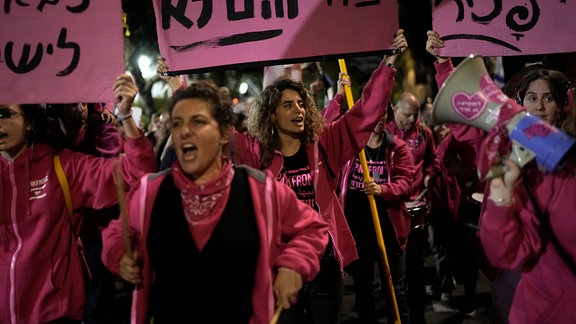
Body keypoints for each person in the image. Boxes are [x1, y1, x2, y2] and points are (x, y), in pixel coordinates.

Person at [100, 80, 330, 324]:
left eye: (197, 122)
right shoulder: (150, 192)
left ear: (223, 133)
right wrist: (120, 255)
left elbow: (312, 229)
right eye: (177, 124)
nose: (184, 131)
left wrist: (293, 265)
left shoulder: (260, 189)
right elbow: (116, 233)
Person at [231, 30, 407, 323]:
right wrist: (177, 84)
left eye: (301, 104)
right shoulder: (256, 152)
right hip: (279, 265)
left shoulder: (325, 142)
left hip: (324, 263)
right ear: (271, 114)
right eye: (288, 105)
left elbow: (364, 114)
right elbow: (218, 137)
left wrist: (388, 63)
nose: (298, 110)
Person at [426, 29, 574, 323]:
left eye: (548, 99)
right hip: (520, 277)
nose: (539, 106)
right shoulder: (505, 143)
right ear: (521, 103)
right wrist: (444, 65)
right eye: (532, 98)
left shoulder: (566, 162)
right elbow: (468, 118)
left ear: (561, 106)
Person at [0, 74, 157, 324]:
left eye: (5, 114)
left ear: (29, 122)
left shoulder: (62, 167)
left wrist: (126, 116)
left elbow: (136, 173)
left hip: (56, 315)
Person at [325, 77, 414, 323]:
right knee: (363, 289)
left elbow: (406, 184)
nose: (377, 119)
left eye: (382, 113)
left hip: (389, 230)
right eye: (372, 113)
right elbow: (324, 127)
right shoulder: (351, 147)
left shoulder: (397, 148)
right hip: (358, 229)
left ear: (387, 115)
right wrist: (341, 95)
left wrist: (382, 189)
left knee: (395, 291)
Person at [45, 101, 133, 324]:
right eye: (74, 104)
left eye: (85, 103)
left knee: (96, 302)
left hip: (96, 234)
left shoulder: (102, 132)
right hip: (60, 234)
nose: (81, 108)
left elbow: (117, 170)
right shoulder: (45, 140)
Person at [386, 91, 437, 324]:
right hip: (393, 209)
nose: (411, 120)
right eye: (407, 115)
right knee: (396, 272)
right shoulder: (384, 132)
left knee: (416, 268)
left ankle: (418, 318)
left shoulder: (424, 133)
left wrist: (429, 175)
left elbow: (433, 161)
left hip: (416, 208)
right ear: (396, 111)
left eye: (415, 115)